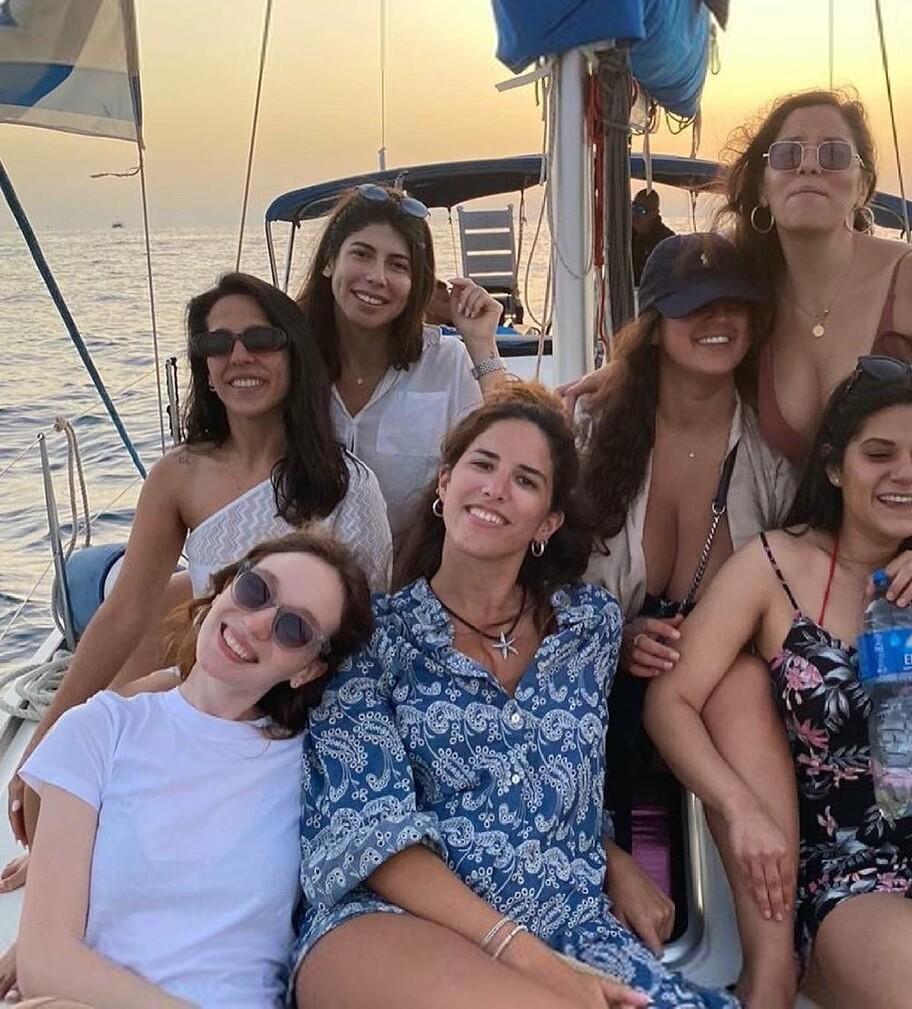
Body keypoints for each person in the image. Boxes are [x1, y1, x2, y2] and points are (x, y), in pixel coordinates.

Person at [565, 89, 912, 887]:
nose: (811, 166)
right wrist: (629, 370)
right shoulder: (759, 296)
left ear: (862, 182)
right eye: (790, 154)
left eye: (833, 154)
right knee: (893, 745)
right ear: (763, 184)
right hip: (870, 539)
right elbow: (695, 342)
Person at [645, 361, 912, 1008]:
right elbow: (670, 700)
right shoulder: (773, 568)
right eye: (880, 454)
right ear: (834, 467)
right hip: (849, 869)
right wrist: (737, 807)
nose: (907, 474)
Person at [292, 386, 739, 1009]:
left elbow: (554, 787)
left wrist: (608, 856)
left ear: (548, 523)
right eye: (482, 464)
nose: (496, 489)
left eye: (526, 481)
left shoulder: (590, 627)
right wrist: (532, 961)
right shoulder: (374, 639)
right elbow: (371, 834)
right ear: (445, 484)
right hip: (408, 927)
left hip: (574, 926)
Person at [4, 272, 392, 896]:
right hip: (206, 691)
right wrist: (45, 739)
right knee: (88, 775)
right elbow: (125, 611)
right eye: (218, 344)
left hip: (303, 708)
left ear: (294, 352)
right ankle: (71, 853)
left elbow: (367, 636)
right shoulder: (179, 476)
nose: (239, 357)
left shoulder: (348, 486)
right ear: (205, 368)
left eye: (260, 339)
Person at [15, 531, 376, 1008]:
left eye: (294, 629)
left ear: (307, 671)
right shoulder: (99, 730)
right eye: (255, 590)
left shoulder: (316, 765)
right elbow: (45, 960)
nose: (258, 623)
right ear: (224, 586)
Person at [579, 232, 798, 1005]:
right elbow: (541, 589)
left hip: (722, 692)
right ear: (654, 324)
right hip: (601, 682)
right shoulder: (591, 433)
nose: (719, 319)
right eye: (695, 305)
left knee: (738, 682)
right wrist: (615, 637)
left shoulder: (772, 451)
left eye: (736, 304)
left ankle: (772, 967)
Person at [296, 183, 514, 539]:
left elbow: (512, 448)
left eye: (398, 265)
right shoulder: (290, 359)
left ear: (416, 283)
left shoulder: (445, 364)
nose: (377, 277)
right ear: (329, 261)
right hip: (299, 571)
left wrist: (481, 344)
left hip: (414, 571)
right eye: (362, 254)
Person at [631, 189, 675, 285]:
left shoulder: (667, 242)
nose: (634, 215)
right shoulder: (625, 236)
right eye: (633, 208)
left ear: (654, 213)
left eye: (641, 211)